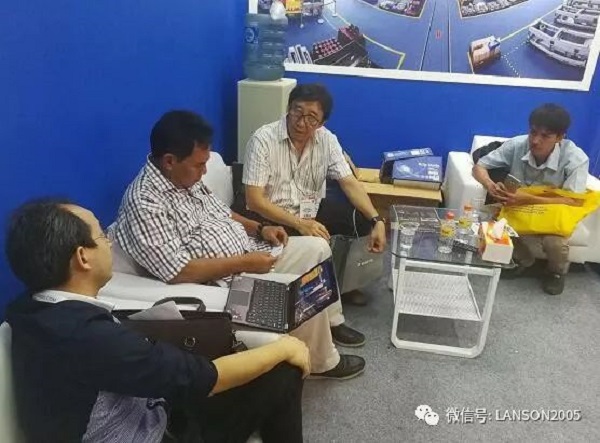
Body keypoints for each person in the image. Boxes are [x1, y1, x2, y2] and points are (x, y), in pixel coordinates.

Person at [5, 198, 309, 443]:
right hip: (149, 431)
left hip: (144, 408)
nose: (109, 243)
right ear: (83, 257)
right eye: (102, 235)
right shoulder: (90, 338)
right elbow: (204, 379)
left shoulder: (31, 310)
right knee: (282, 369)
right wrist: (285, 347)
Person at [111, 110, 366, 379]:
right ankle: (323, 362)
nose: (204, 171)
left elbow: (223, 212)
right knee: (300, 288)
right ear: (169, 161)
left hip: (250, 251)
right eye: (199, 165)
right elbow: (178, 271)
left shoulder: (184, 178)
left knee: (318, 247)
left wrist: (260, 228)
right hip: (226, 279)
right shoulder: (145, 202)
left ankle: (332, 323)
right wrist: (244, 263)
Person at [242, 83, 386, 305]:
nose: (301, 123)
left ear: (322, 122)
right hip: (272, 216)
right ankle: (305, 290)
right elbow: (254, 200)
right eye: (297, 112)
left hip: (310, 211)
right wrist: (300, 224)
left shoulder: (327, 139)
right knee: (305, 236)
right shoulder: (263, 139)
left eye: (311, 118)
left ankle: (345, 283)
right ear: (288, 108)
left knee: (359, 218)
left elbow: (349, 182)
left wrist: (377, 220)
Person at [472, 103, 589, 295]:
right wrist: (489, 184)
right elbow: (479, 166)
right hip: (516, 207)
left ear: (560, 137)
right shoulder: (517, 144)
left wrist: (528, 199)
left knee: (555, 243)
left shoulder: (575, 158)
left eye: (545, 136)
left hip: (551, 211)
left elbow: (575, 201)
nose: (535, 141)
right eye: (533, 132)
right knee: (489, 221)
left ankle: (556, 273)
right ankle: (524, 261)